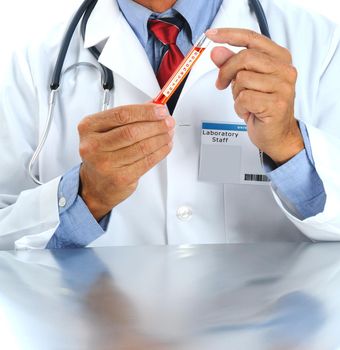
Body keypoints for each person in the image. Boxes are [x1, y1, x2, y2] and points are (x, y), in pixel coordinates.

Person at [0, 0, 339, 250]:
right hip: (109, 336)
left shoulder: (322, 44)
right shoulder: (33, 65)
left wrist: (288, 145)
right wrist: (86, 196)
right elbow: (6, 241)